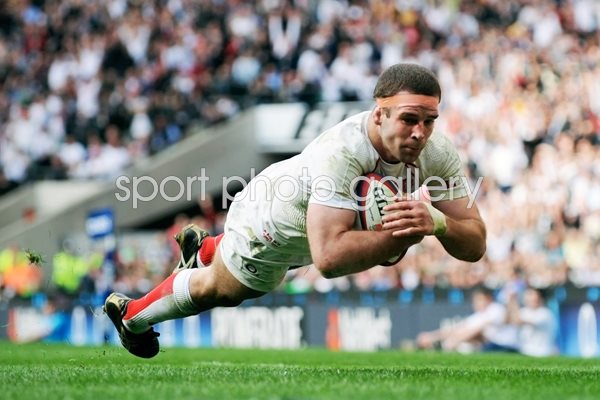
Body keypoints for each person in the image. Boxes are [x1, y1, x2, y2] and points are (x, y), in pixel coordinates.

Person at [104, 63, 487, 358]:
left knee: (245, 272)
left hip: (308, 221)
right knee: (220, 290)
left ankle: (207, 250)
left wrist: (438, 222)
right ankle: (132, 316)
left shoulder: (437, 153)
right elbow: (330, 260)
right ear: (379, 115)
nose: (420, 132)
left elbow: (475, 240)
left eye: (429, 121)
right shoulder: (342, 152)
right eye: (408, 119)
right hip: (271, 222)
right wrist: (400, 235)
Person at [416, 287, 519, 353]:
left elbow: (478, 328)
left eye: (480, 299)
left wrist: (454, 341)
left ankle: (443, 346)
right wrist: (432, 336)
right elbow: (458, 327)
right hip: (490, 346)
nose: (476, 303)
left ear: (489, 299)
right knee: (464, 331)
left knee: (475, 333)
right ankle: (439, 344)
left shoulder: (496, 308)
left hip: (506, 346)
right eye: (475, 300)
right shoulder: (479, 315)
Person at [508, 287, 557, 357]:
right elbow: (514, 320)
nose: (529, 298)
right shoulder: (525, 311)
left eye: (532, 295)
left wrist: (513, 301)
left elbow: (520, 321)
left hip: (542, 352)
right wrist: (511, 301)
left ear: (540, 298)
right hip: (525, 351)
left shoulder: (545, 313)